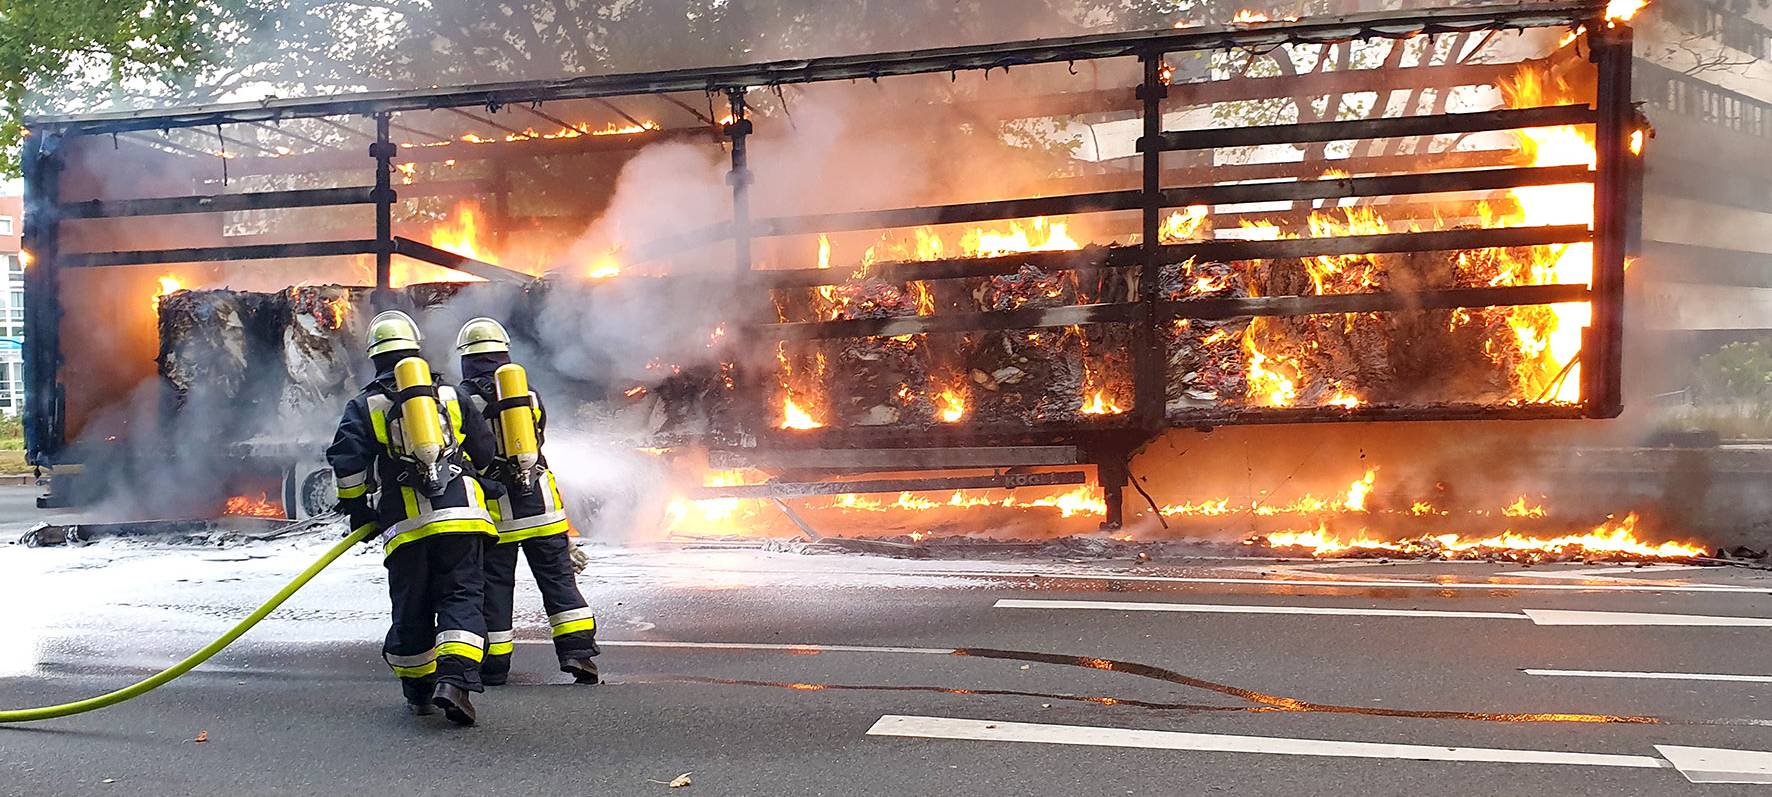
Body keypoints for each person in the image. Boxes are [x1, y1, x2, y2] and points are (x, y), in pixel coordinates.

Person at [328, 310, 502, 725]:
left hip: (406, 527)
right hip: (462, 518)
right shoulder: (450, 395)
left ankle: (419, 691)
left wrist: (358, 508)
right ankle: (455, 682)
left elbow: (348, 465)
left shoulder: (364, 405)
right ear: (416, 350)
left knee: (412, 606)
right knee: (462, 597)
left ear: (375, 358)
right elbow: (484, 450)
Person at [456, 317, 601, 686]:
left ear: (466, 359)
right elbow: (539, 438)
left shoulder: (461, 398)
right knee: (559, 583)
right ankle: (579, 654)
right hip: (543, 508)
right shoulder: (527, 392)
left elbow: (465, 453)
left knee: (495, 591)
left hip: (498, 517)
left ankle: (494, 667)